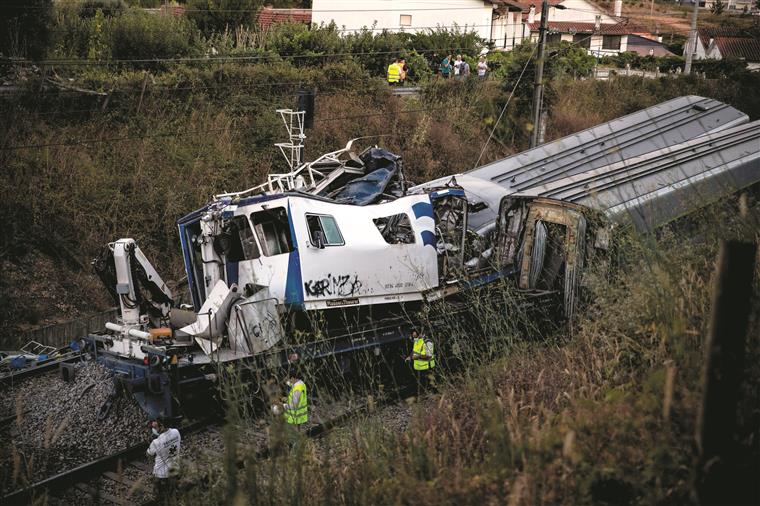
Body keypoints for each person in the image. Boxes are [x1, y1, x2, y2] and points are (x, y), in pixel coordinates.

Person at [147, 418, 181, 505]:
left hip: (161, 475)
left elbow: (149, 454)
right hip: (175, 469)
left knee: (160, 497)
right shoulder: (176, 432)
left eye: (156, 426)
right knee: (174, 493)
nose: (154, 428)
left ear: (162, 426)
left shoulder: (156, 442)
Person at [406, 329, 435, 394]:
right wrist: (410, 357)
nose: (412, 337)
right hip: (420, 367)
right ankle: (427, 393)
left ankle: (433, 393)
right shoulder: (417, 341)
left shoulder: (427, 342)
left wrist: (417, 357)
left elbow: (429, 356)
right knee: (423, 383)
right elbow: (414, 350)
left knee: (431, 381)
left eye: (414, 336)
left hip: (428, 366)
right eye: (412, 336)